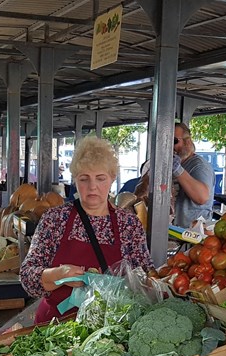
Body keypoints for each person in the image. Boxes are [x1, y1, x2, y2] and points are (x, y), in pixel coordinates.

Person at [20, 135, 151, 324]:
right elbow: (27, 277)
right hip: (54, 326)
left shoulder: (129, 224)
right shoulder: (55, 219)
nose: (92, 187)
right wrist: (59, 275)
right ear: (74, 179)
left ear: (112, 178)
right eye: (84, 179)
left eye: (100, 178)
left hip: (108, 331)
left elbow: (145, 277)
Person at [172, 123, 215, 228]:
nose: (170, 146)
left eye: (174, 141)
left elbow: (202, 197)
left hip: (192, 236)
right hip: (174, 232)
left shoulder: (199, 166)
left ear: (187, 142)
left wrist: (178, 170)